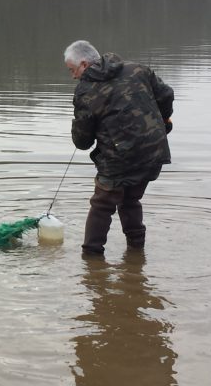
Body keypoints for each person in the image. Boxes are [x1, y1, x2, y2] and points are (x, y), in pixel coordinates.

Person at [64, 40, 173, 255]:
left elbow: (82, 142)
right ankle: (136, 253)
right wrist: (163, 120)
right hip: (154, 153)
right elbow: (166, 95)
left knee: (102, 205)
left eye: (72, 70)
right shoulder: (138, 69)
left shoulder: (86, 91)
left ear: (84, 64)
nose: (73, 76)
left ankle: (91, 262)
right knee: (130, 200)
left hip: (118, 160)